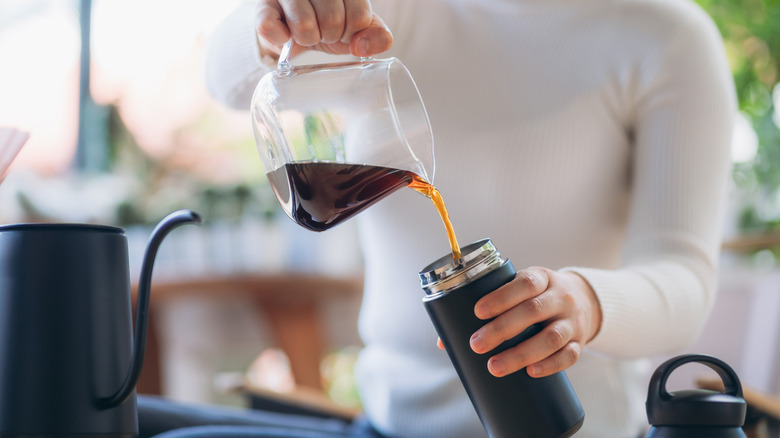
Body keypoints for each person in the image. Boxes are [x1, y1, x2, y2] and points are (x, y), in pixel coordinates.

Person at [139, 0, 736, 436]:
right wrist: (272, 24)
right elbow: (225, 81)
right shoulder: (389, 11)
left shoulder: (667, 37)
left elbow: (683, 278)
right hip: (386, 427)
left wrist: (584, 303)